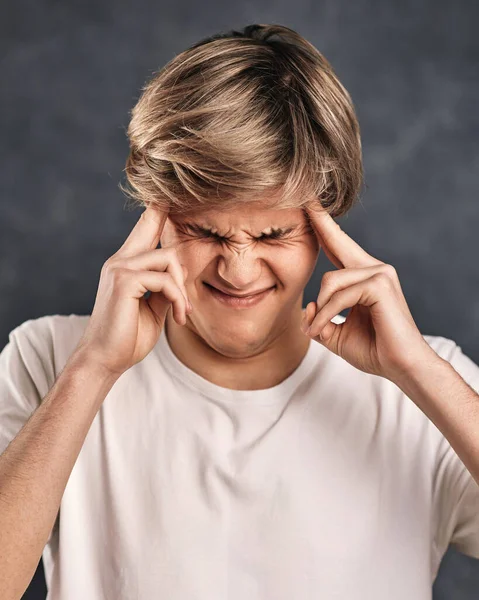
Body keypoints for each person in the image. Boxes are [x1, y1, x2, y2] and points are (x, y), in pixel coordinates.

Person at [1, 23, 479, 600]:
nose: (238, 270)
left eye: (274, 234)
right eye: (203, 230)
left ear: (325, 224)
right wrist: (91, 370)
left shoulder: (429, 386)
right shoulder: (48, 359)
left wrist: (421, 374)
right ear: (156, 215)